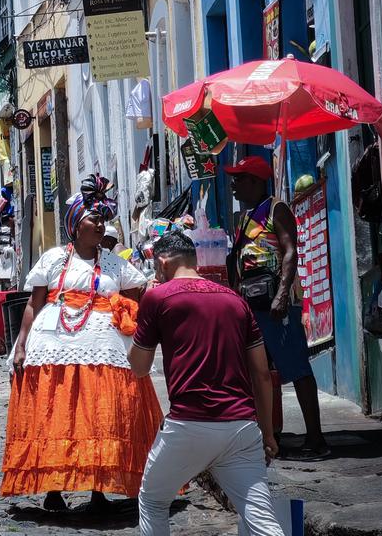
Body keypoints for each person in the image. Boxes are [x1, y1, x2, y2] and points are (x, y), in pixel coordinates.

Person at [2, 175, 162, 514]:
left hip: (104, 352)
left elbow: (134, 298)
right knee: (57, 415)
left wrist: (123, 312)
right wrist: (21, 346)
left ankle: (99, 491)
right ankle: (54, 488)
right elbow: (34, 303)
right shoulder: (54, 259)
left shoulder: (117, 264)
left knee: (99, 417)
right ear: (76, 224)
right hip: (53, 348)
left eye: (103, 218)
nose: (100, 224)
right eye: (94, 218)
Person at [129, 230, 284, 536]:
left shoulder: (158, 297)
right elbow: (263, 374)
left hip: (189, 425)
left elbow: (139, 368)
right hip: (241, 427)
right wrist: (267, 435)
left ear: (161, 263)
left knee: (153, 500)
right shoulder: (236, 300)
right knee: (261, 519)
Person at [225, 155, 330, 458]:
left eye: (239, 178)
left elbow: (290, 251)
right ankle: (271, 435)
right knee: (260, 371)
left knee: (295, 366)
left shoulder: (276, 209)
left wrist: (283, 294)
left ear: (256, 181)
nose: (233, 184)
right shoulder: (246, 217)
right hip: (252, 304)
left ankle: (316, 439)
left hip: (276, 304)